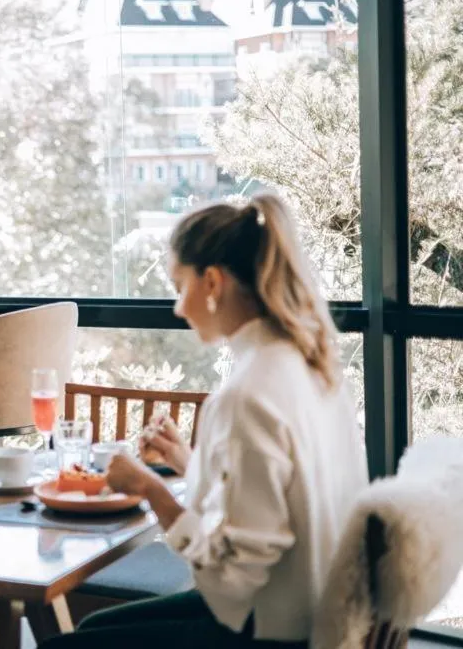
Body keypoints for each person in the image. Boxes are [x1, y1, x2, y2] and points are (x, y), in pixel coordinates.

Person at [41, 195, 368, 648]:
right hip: (324, 614)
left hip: (272, 632)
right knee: (92, 629)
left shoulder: (245, 395)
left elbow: (230, 582)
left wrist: (151, 490)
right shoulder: (311, 367)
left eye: (180, 286)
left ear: (212, 282)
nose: (178, 307)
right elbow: (269, 502)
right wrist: (187, 460)